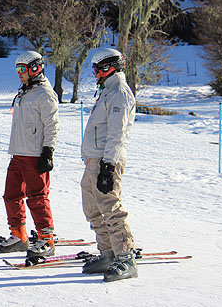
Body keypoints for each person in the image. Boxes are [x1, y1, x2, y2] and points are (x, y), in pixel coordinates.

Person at [80, 48, 137, 282]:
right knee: (91, 207)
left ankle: (126, 256)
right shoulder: (106, 91)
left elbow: (117, 133)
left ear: (109, 67)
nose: (95, 74)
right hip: (94, 159)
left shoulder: (120, 93)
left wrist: (109, 166)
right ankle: (108, 252)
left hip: (106, 160)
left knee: (110, 206)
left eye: (97, 69)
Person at [0, 51, 60, 259]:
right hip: (17, 153)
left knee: (37, 198)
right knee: (11, 195)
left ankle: (46, 238)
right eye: (17, 70)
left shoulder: (44, 94)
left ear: (35, 69)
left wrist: (48, 151)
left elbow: (52, 125)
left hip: (34, 154)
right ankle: (19, 234)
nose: (19, 74)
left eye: (22, 69)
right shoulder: (24, 92)